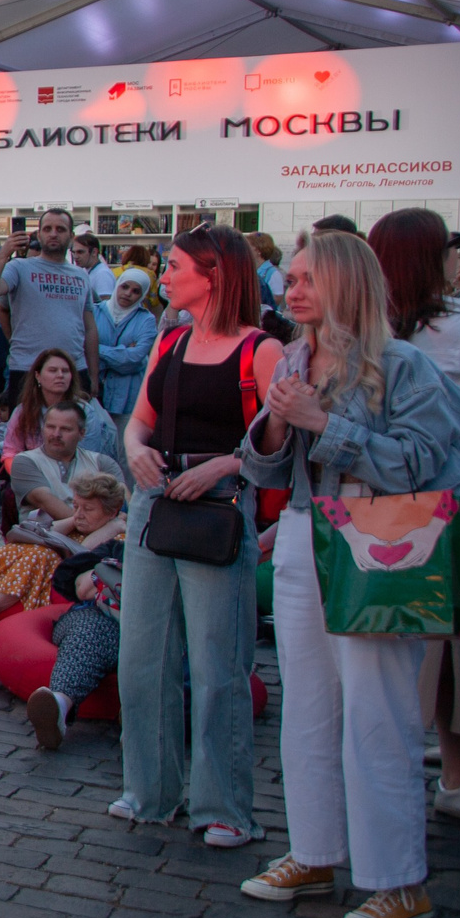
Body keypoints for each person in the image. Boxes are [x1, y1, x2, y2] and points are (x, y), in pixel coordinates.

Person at [238, 229, 460, 918]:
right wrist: (276, 432)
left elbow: (418, 465)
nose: (293, 285)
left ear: (349, 283)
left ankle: (398, 880)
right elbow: (264, 468)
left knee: (379, 712)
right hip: (303, 539)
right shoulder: (293, 355)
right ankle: (314, 851)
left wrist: (321, 420)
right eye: (295, 275)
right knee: (307, 703)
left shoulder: (405, 366)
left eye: (310, 276)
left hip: (382, 545)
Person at [114, 224, 282, 848]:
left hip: (217, 507)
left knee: (218, 666)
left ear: (212, 274)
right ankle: (149, 791)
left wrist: (225, 463)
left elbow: (278, 445)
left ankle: (224, 808)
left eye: (175, 265)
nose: (164, 275)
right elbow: (139, 422)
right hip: (156, 502)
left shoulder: (262, 349)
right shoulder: (173, 340)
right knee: (143, 659)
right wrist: (133, 450)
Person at [367, 208, 460, 831]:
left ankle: (433, 771)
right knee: (456, 649)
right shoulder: (457, 334)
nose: (457, 260)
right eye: (447, 251)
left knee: (419, 651)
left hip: (386, 510)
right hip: (452, 506)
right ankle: (453, 778)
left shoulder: (370, 333)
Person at [0, 471, 125, 650]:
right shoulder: (75, 524)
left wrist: (113, 526)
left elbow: (85, 554)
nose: (79, 514)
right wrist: (75, 517)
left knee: (40, 555)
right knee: (18, 550)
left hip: (63, 594)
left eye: (88, 509)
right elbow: (45, 533)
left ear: (112, 511)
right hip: (28, 578)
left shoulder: (118, 535)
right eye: (75, 506)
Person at [0, 207, 100, 390]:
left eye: (60, 229)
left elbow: (89, 328)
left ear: (71, 236)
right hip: (27, 368)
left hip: (73, 369)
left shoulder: (81, 276)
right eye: (47, 229)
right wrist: (4, 253)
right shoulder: (19, 268)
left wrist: (93, 375)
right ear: (39, 234)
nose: (53, 234)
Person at [7, 400, 124, 518]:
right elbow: (46, 502)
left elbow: (121, 502)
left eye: (65, 429)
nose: (56, 434)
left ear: (82, 433)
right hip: (44, 535)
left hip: (100, 534)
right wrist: (100, 524)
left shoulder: (102, 463)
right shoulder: (25, 461)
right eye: (51, 427)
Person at [1, 348, 120, 461]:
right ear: (38, 376)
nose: (60, 375)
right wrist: (22, 475)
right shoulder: (23, 410)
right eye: (53, 370)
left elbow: (88, 458)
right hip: (31, 476)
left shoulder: (85, 412)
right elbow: (10, 452)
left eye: (65, 371)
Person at [94, 268, 159, 418]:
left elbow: (134, 359)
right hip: (95, 390)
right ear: (117, 285)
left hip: (128, 397)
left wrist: (94, 349)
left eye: (136, 291)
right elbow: (80, 348)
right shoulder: (95, 312)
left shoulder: (146, 320)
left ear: (142, 295)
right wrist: (122, 352)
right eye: (125, 287)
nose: (128, 293)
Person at [71, 231, 117, 301]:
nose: (75, 256)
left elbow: (104, 305)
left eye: (80, 252)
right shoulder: (89, 271)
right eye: (73, 252)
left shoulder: (102, 274)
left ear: (94, 252)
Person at [248, 232, 286, 312]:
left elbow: (276, 300)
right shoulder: (250, 269)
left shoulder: (273, 273)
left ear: (258, 250)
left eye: (248, 246)